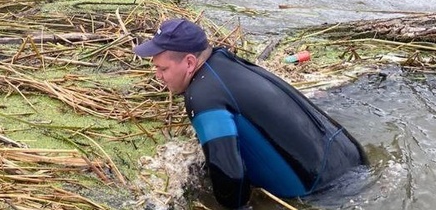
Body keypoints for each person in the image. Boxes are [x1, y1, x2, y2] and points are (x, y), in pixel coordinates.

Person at [134, 18, 368, 209]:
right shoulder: (223, 60)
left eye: (162, 68)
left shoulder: (203, 96)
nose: (158, 75)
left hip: (324, 192)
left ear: (189, 62)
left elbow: (230, 179)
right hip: (351, 155)